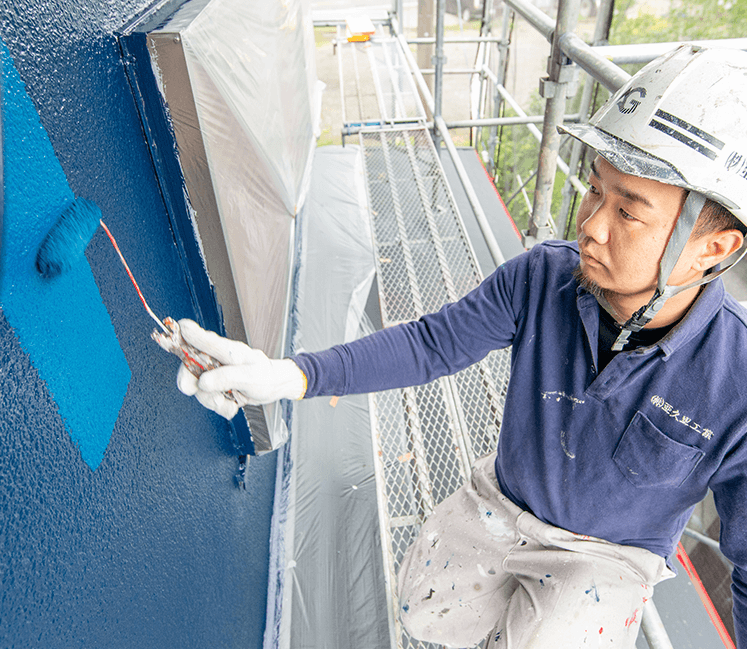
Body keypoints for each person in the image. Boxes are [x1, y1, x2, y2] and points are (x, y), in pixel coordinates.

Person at [176, 44, 747, 648]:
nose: (591, 225)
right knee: (423, 612)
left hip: (605, 558)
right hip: (504, 499)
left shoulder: (735, 380)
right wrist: (290, 376)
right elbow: (430, 344)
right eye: (595, 190)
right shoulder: (543, 279)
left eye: (629, 213)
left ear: (714, 249)